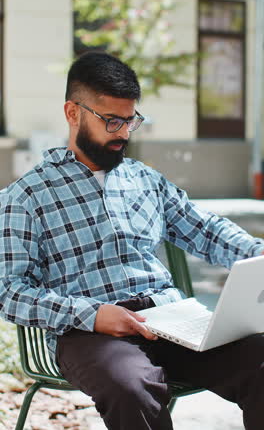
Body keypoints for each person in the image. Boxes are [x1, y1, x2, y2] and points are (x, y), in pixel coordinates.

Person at [0, 51, 264, 430]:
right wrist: (92, 315)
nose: (123, 133)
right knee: (132, 386)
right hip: (90, 332)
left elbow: (205, 230)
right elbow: (10, 292)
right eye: (111, 121)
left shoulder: (145, 180)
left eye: (130, 120)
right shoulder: (26, 196)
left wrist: (258, 254)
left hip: (171, 321)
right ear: (73, 113)